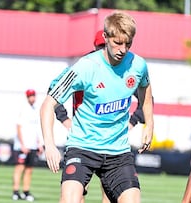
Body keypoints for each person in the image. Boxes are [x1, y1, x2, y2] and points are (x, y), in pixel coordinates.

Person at [40, 11, 154, 203]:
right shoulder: (85, 67)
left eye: (128, 44)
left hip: (118, 152)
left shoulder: (138, 65)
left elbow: (146, 89)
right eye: (117, 43)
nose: (123, 50)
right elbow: (48, 104)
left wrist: (149, 124)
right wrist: (49, 146)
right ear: (105, 37)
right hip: (82, 148)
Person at [12, 89, 44, 202]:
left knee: (29, 169)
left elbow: (36, 130)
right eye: (30, 96)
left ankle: (26, 191)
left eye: (33, 96)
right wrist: (22, 144)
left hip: (32, 145)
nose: (32, 98)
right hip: (22, 146)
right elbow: (19, 128)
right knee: (19, 168)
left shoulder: (35, 110)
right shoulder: (23, 109)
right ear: (27, 97)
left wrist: (39, 143)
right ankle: (15, 192)